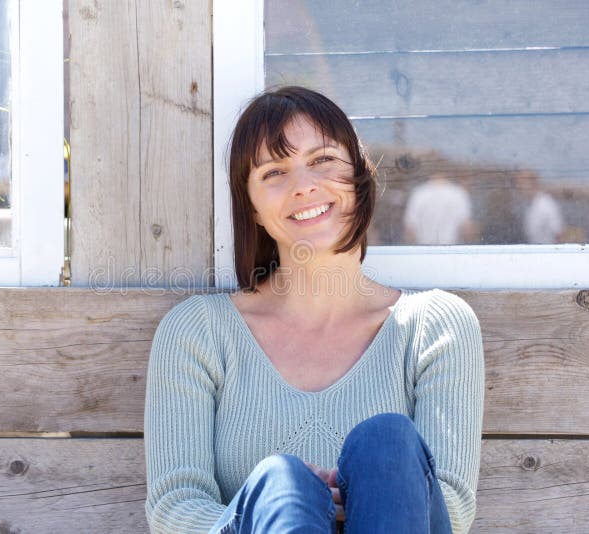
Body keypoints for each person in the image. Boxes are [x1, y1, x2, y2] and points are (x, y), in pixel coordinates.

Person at [144, 86, 485, 534]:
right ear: (253, 208)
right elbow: (174, 506)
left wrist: (365, 494)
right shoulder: (198, 333)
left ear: (359, 178)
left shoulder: (435, 328)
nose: (304, 185)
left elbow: (451, 507)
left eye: (323, 160)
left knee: (386, 444)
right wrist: (284, 507)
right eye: (274, 172)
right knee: (280, 484)